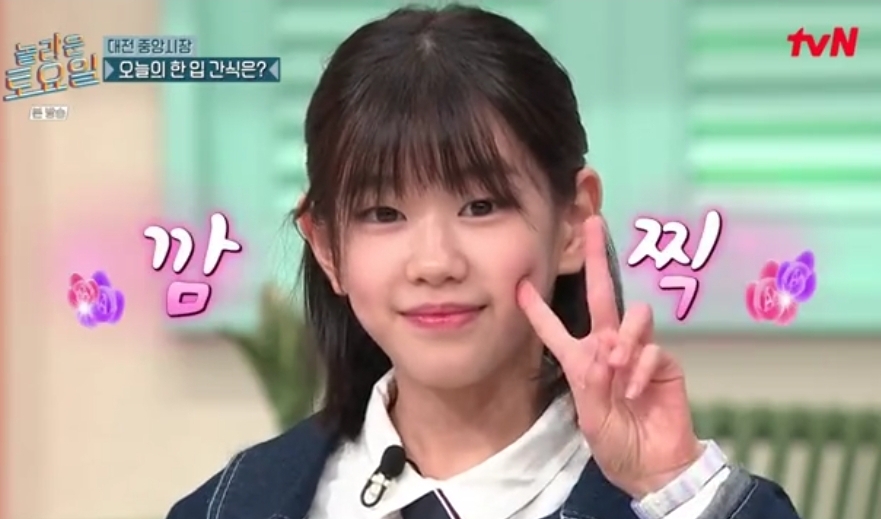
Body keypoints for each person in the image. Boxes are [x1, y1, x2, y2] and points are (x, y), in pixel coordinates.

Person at [167, 4, 801, 519]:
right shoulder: (234, 506)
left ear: (573, 222)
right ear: (327, 247)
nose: (435, 263)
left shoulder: (671, 502)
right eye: (383, 213)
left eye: (481, 205)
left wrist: (674, 487)